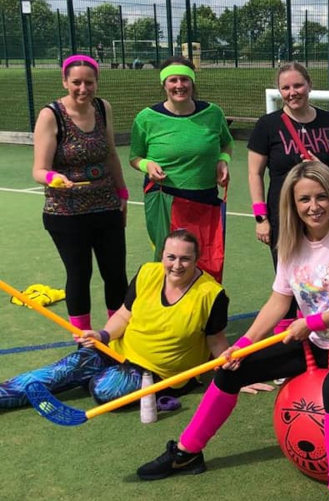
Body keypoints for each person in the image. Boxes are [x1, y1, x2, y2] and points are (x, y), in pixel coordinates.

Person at [136, 162, 329, 501]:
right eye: (304, 199)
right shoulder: (291, 244)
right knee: (231, 371)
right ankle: (187, 453)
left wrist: (312, 321)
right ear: (292, 203)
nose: (314, 206)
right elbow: (278, 301)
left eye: (321, 196)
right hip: (316, 340)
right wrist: (242, 345)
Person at [0, 231, 229, 410]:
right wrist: (103, 335)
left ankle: (93, 378)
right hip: (118, 351)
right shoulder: (148, 273)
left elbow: (216, 341)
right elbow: (123, 315)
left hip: (157, 373)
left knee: (102, 389)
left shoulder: (211, 294)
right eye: (171, 257)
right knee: (61, 370)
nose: (177, 265)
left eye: (185, 259)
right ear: (162, 256)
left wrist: (232, 377)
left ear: (197, 259)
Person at [31, 54, 129, 332]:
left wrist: (122, 193)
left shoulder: (102, 108)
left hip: (106, 206)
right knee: (79, 274)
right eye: (76, 82)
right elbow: (38, 170)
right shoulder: (51, 115)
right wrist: (54, 178)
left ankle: (114, 336)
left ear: (97, 82)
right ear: (65, 82)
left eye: (89, 82)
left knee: (115, 273)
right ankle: (82, 339)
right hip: (66, 212)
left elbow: (110, 154)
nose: (83, 89)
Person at [248, 62, 329, 333]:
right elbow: (254, 173)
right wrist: (261, 218)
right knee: (287, 278)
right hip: (283, 216)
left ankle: (325, 334)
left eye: (298, 85)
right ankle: (288, 340)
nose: (292, 92)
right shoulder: (268, 125)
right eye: (285, 87)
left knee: (324, 276)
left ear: (309, 85)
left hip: (323, 215)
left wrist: (321, 168)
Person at [130, 56, 233, 283]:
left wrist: (222, 160)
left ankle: (203, 303)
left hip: (205, 197)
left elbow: (226, 143)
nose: (179, 85)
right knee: (170, 261)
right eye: (173, 80)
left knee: (206, 259)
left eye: (184, 79)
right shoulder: (146, 118)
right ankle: (165, 302)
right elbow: (135, 157)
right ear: (164, 84)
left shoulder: (213, 113)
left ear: (192, 81)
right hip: (164, 198)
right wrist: (148, 165)